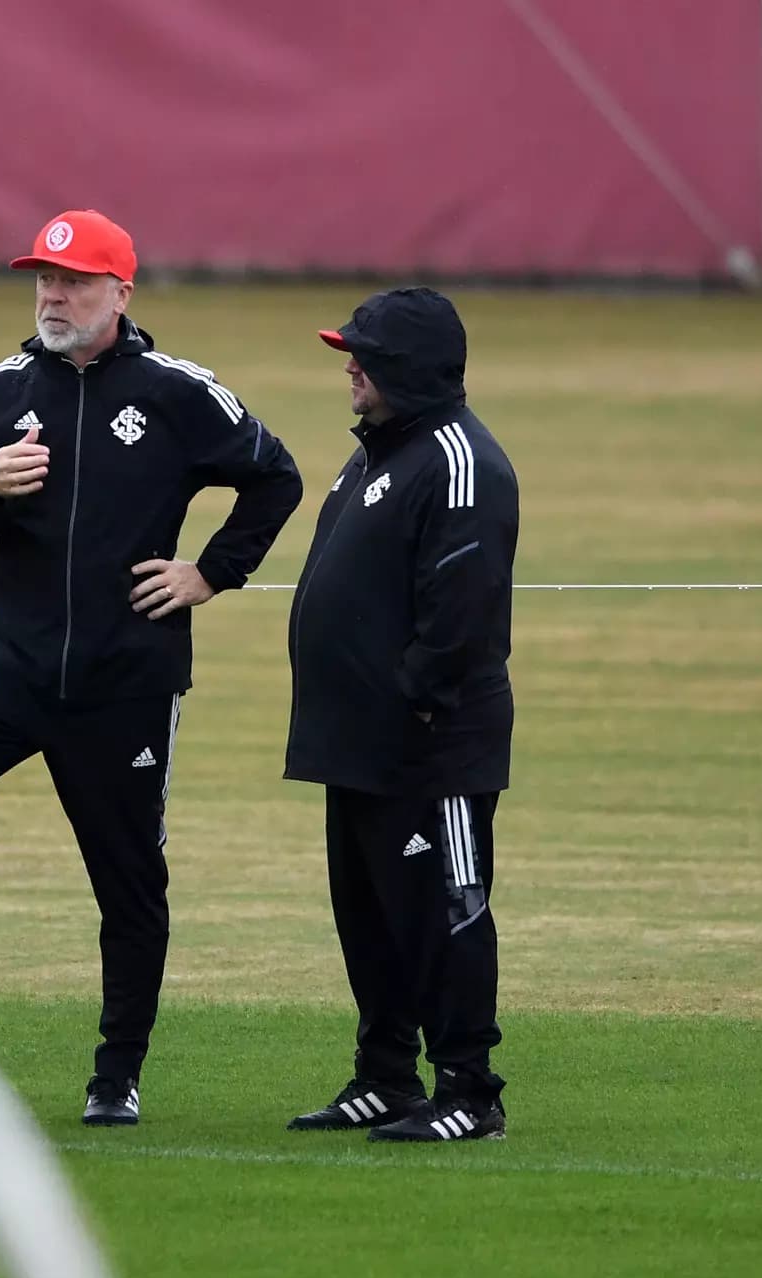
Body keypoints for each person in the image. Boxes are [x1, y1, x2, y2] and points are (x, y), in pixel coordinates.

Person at [0, 209, 303, 1127]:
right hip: (17, 666)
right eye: (43, 278)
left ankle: (117, 1072)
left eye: (74, 282)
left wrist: (209, 572)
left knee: (128, 881)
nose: (53, 296)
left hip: (127, 683)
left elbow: (276, 475)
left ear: (121, 292)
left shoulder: (177, 391)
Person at [282, 286, 519, 1143]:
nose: (350, 365)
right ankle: (386, 1074)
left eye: (366, 355)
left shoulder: (461, 460)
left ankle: (469, 1088)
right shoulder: (378, 453)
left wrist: (413, 702)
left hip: (431, 748)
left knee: (445, 911)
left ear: (410, 369)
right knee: (370, 913)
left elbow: (460, 612)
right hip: (358, 743)